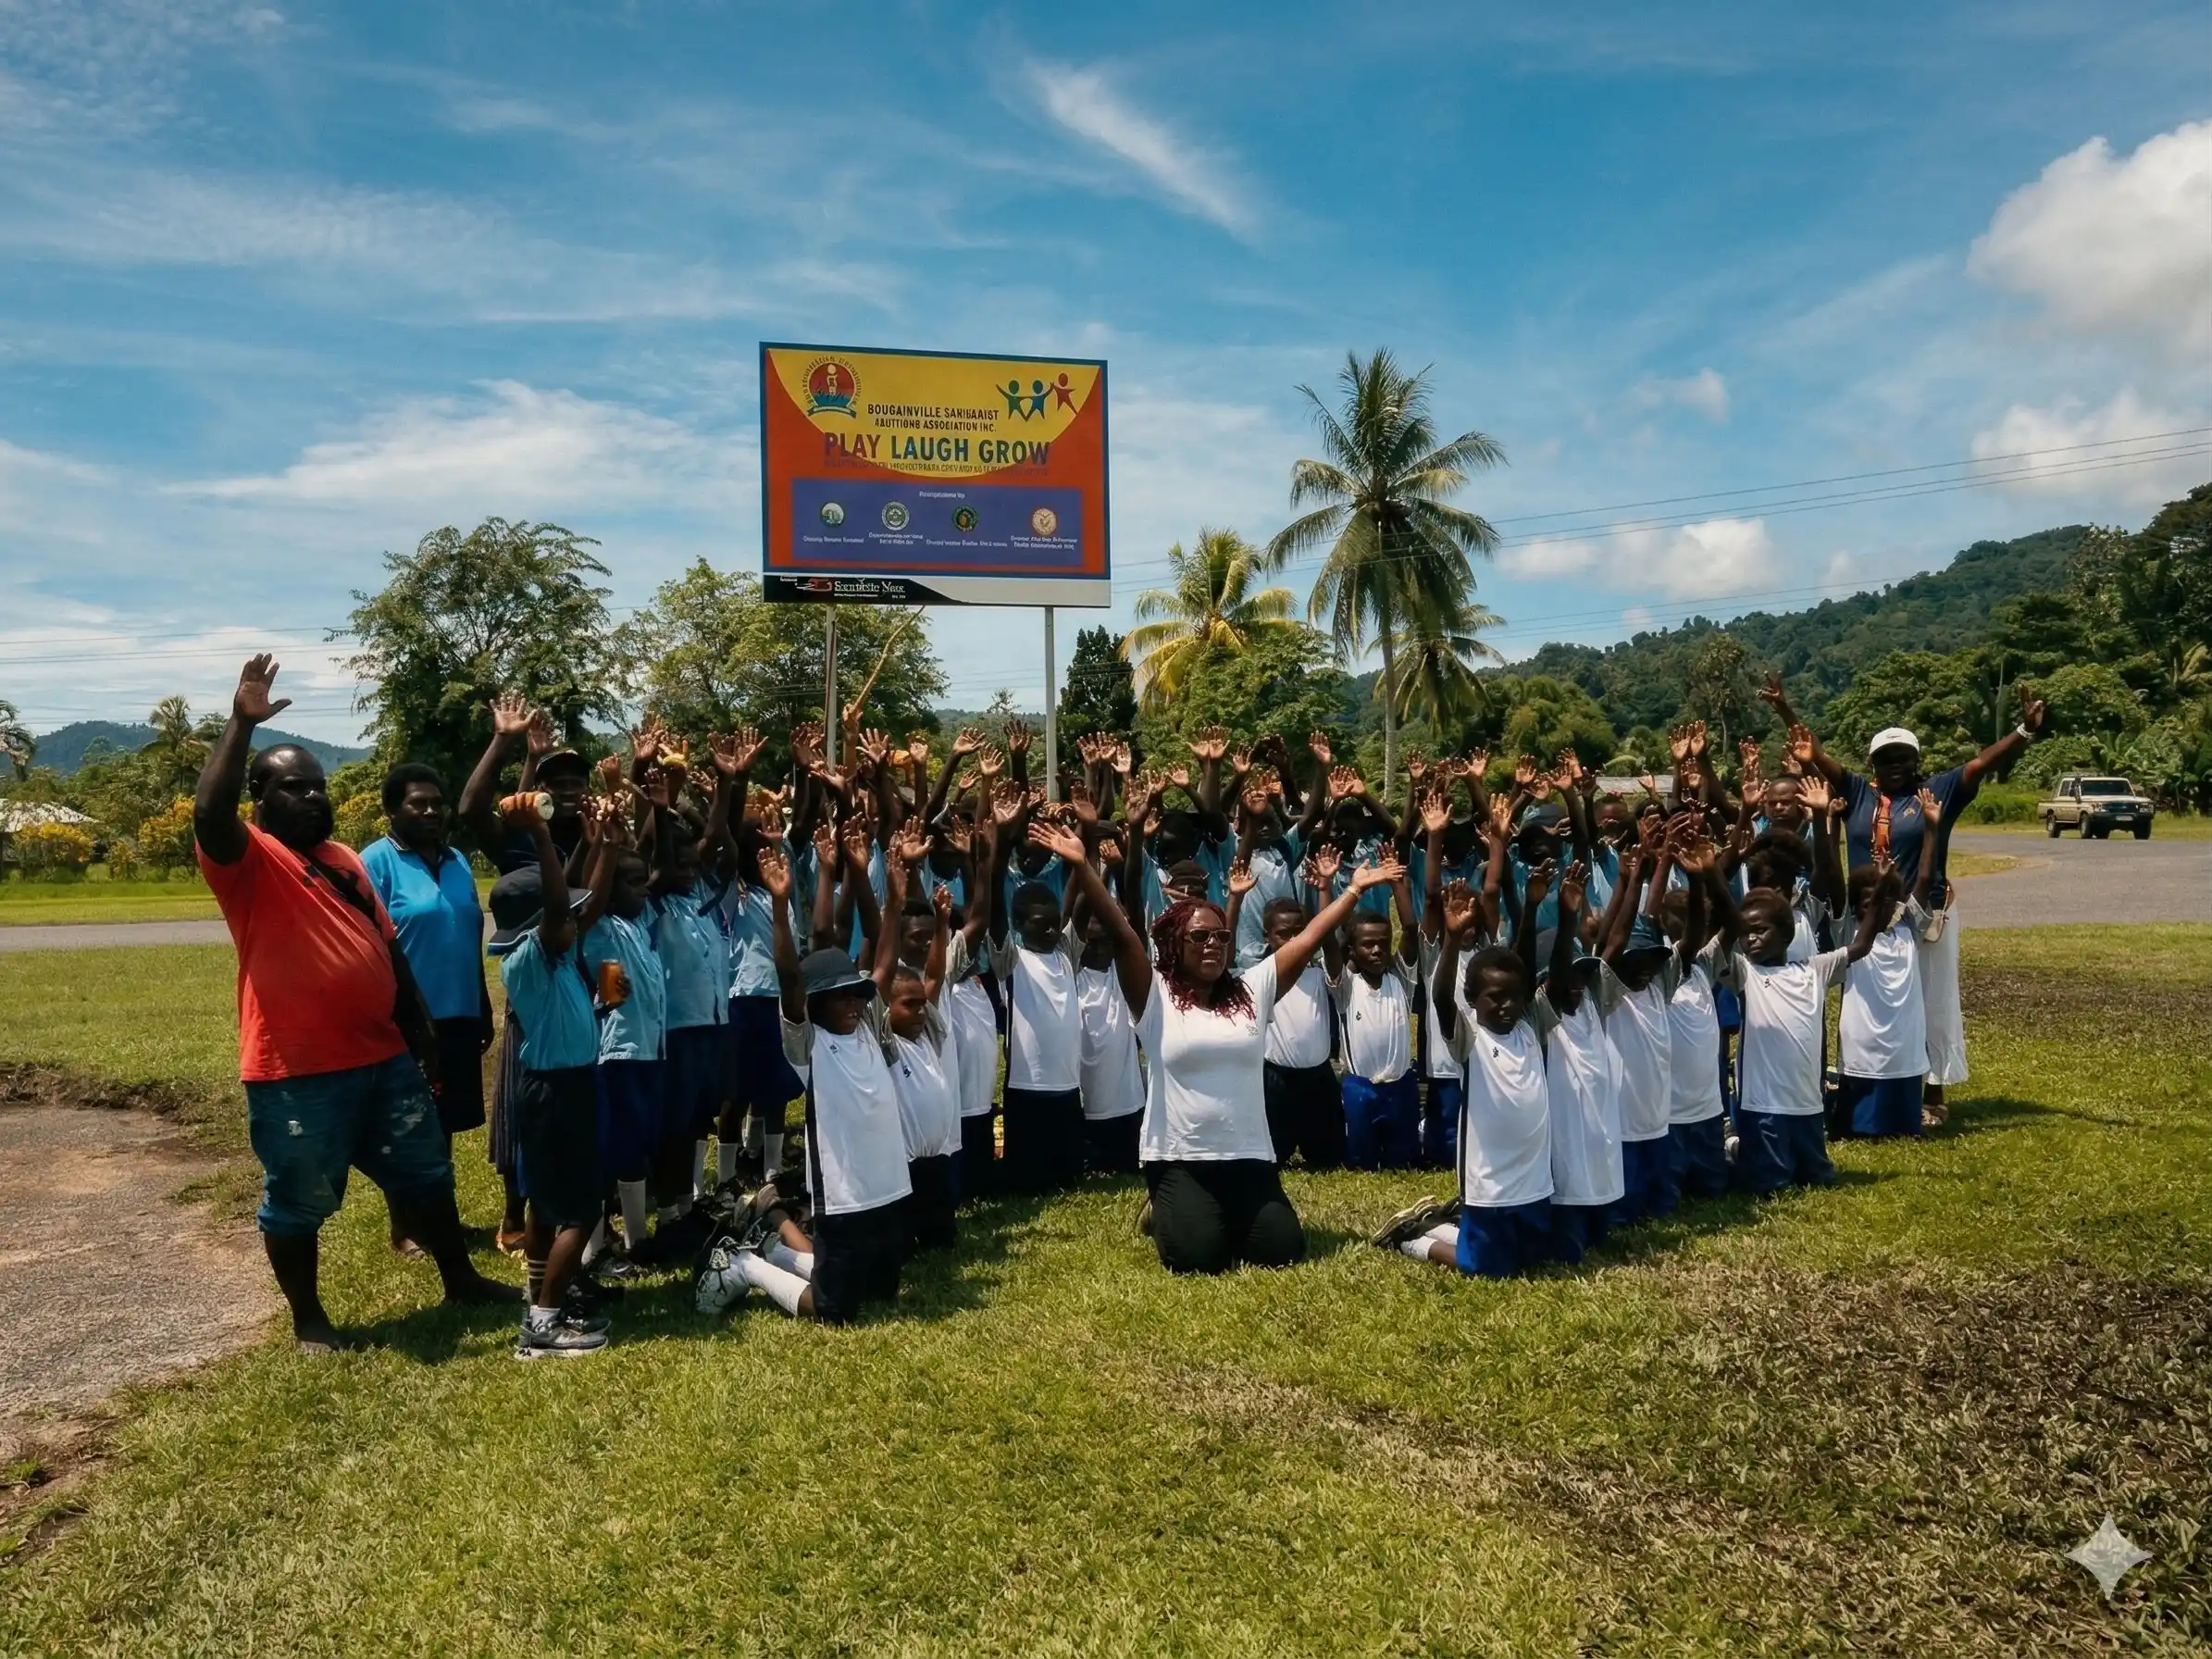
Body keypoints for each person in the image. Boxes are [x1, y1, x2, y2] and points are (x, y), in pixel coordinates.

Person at [193, 655, 513, 1353]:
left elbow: (387, 947)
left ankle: (459, 1280)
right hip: (298, 1072)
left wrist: (421, 1033)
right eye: (294, 789)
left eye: (318, 787)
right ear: (260, 800)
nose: (312, 798)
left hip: (383, 1057)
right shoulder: (246, 859)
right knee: (301, 1196)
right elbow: (207, 812)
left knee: (426, 1169)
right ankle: (310, 1320)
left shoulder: (343, 858)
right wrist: (241, 723)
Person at [1037, 819, 1398, 1277]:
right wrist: (1083, 867)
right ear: (1174, 944)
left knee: (1281, 1249)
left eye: (1222, 937)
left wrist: (1352, 891)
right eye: (1200, 937)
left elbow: (1307, 941)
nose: (1214, 944)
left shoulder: (1253, 989)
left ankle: (1211, 1213)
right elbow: (1124, 931)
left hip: (1248, 1155)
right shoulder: (1155, 995)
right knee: (1199, 1259)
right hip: (1179, 1157)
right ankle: (1162, 1207)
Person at [1765, 675, 2048, 1121]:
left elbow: (1980, 764)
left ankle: (1933, 1092)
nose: (1895, 764)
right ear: (1872, 762)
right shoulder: (1857, 792)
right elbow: (1812, 751)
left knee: (1932, 997)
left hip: (1925, 912)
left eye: (1904, 756)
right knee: (1869, 1001)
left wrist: (2025, 731)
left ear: (1917, 759)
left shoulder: (1936, 792)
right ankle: (1869, 1083)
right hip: (1865, 919)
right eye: (1885, 757)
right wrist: (1785, 710)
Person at [730, 845, 911, 1323]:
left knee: (881, 1290)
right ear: (812, 1006)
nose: (852, 1004)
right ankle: (747, 1265)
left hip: (889, 1187)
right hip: (845, 1196)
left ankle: (776, 1248)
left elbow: (886, 963)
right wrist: (779, 901)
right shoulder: (807, 1045)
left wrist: (894, 901)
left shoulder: (868, 1026)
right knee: (835, 1308)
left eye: (855, 994)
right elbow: (789, 974)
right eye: (837, 998)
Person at [1373, 868, 1556, 1279]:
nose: (1507, 1006)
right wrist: (1453, 938)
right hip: (1489, 1184)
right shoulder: (1470, 1036)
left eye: (1515, 998)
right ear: (1473, 999)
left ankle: (1446, 1224)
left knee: (1534, 1257)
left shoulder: (1530, 1028)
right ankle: (1413, 1238)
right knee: (1488, 1267)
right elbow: (1439, 998)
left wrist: (1532, 905)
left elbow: (1523, 962)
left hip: (1533, 1180)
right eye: (1496, 998)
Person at [487, 794, 619, 1358]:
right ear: (538, 922)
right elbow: (562, 908)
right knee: (582, 1209)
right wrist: (542, 836)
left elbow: (582, 908)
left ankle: (539, 1295)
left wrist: (606, 844)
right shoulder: (532, 956)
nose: (577, 920)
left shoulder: (558, 957)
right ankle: (543, 1327)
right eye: (563, 915)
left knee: (546, 1205)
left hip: (562, 1086)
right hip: (557, 1093)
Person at [1683, 834, 1884, 1193]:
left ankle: (1741, 1147)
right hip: (1764, 1105)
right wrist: (1712, 873)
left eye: (1760, 931)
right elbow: (1728, 925)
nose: (1751, 940)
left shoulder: (1814, 969)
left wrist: (1881, 891)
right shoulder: (1745, 974)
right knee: (1770, 1184)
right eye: (1746, 935)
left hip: (1807, 1103)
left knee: (1819, 1178)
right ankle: (1735, 1146)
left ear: (1787, 934)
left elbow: (1860, 946)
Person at [359, 761, 492, 1254]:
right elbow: (367, 941)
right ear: (392, 809)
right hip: (408, 1020)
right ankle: (405, 1227)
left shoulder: (456, 859)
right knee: (408, 1121)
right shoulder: (375, 862)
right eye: (419, 803)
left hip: (458, 1013)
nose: (432, 810)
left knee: (443, 1122)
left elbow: (468, 934)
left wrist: (481, 1003)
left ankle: (441, 1220)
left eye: (438, 802)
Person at [987, 787, 1087, 1195]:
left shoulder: (1067, 952)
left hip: (1068, 1087)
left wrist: (1081, 854)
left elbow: (1079, 898)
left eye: (1053, 922)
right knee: (1027, 1180)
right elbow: (994, 899)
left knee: (1068, 1178)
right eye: (1038, 923)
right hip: (1027, 1088)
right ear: (1018, 924)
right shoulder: (1010, 959)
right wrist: (1001, 839)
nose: (1049, 929)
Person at [873, 819, 963, 1250]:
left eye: (921, 1003)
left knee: (941, 1239)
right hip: (902, 1167)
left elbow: (934, 974)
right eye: (907, 1004)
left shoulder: (927, 1033)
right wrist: (894, 900)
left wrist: (943, 925)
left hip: (938, 1162)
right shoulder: (884, 1045)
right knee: (904, 1242)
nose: (919, 1010)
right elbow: (882, 971)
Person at [1837, 791, 1949, 1137]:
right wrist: (1828, 826)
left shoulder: (1908, 927)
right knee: (1861, 1109)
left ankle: (1904, 1122)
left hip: (1905, 1035)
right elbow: (1830, 878)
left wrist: (1932, 829)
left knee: (1902, 1105)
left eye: (1884, 899)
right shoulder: (1848, 931)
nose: (1876, 907)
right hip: (1862, 1037)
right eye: (1867, 902)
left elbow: (1925, 879)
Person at [1328, 858, 1422, 1171]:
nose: (1378, 950)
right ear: (1351, 951)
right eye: (1368, 945)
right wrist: (1331, 888)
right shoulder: (1345, 987)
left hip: (1400, 1085)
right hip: (1359, 1087)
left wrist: (1396, 883)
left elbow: (1410, 929)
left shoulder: (1401, 980)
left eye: (1383, 943)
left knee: (1402, 1162)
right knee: (1361, 1162)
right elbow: (1328, 934)